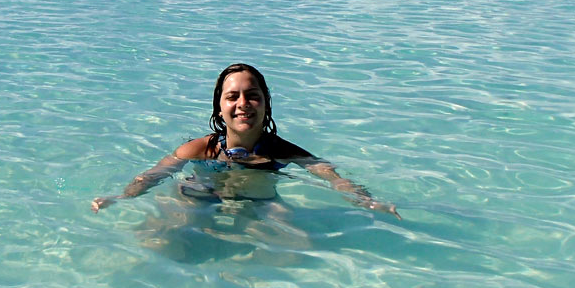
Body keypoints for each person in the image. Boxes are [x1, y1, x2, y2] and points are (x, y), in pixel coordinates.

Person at [92, 63, 398, 217]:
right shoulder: (201, 148)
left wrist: (367, 201)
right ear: (220, 108)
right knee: (169, 231)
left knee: (295, 245)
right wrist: (121, 197)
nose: (243, 104)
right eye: (232, 97)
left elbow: (331, 175)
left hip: (258, 204)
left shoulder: (281, 150)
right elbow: (155, 174)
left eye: (252, 96)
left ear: (265, 105)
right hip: (202, 197)